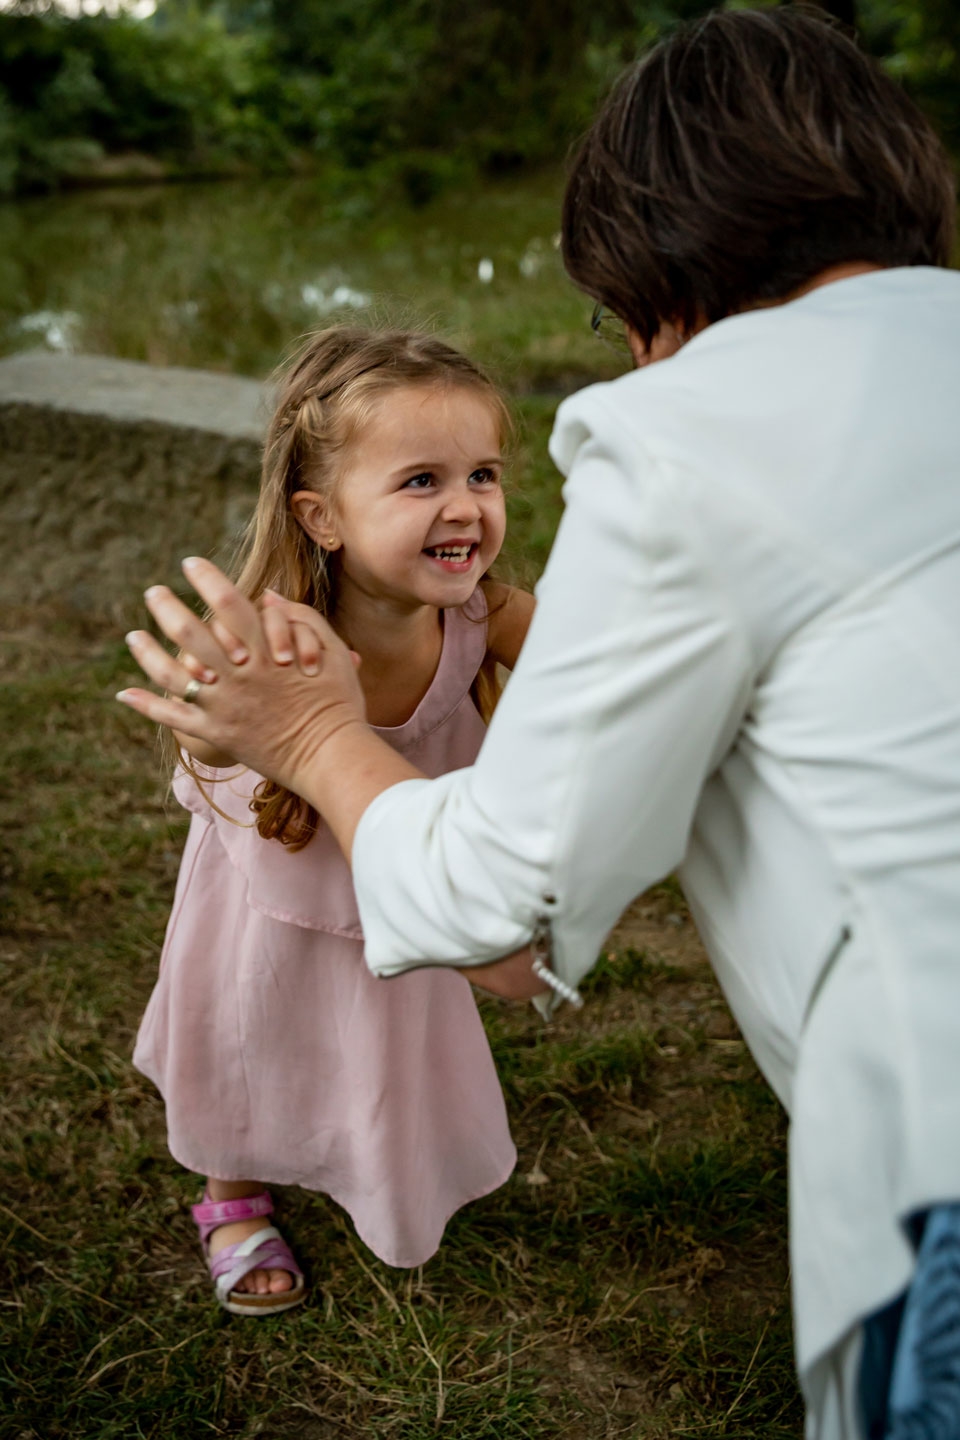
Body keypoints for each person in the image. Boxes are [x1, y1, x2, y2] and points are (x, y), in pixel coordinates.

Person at [118, 8, 960, 1437]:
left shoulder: (697, 425)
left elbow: (504, 886)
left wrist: (319, 740)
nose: (636, 356)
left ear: (660, 258)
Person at [132, 327, 533, 1315]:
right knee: (251, 1024)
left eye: (482, 474)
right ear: (323, 517)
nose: (465, 506)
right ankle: (231, 1195)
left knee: (374, 1038)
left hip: (402, 887)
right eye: (419, 481)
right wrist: (222, 724)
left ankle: (370, 1161)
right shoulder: (288, 638)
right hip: (277, 891)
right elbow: (217, 734)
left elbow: (603, 666)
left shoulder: (483, 615)